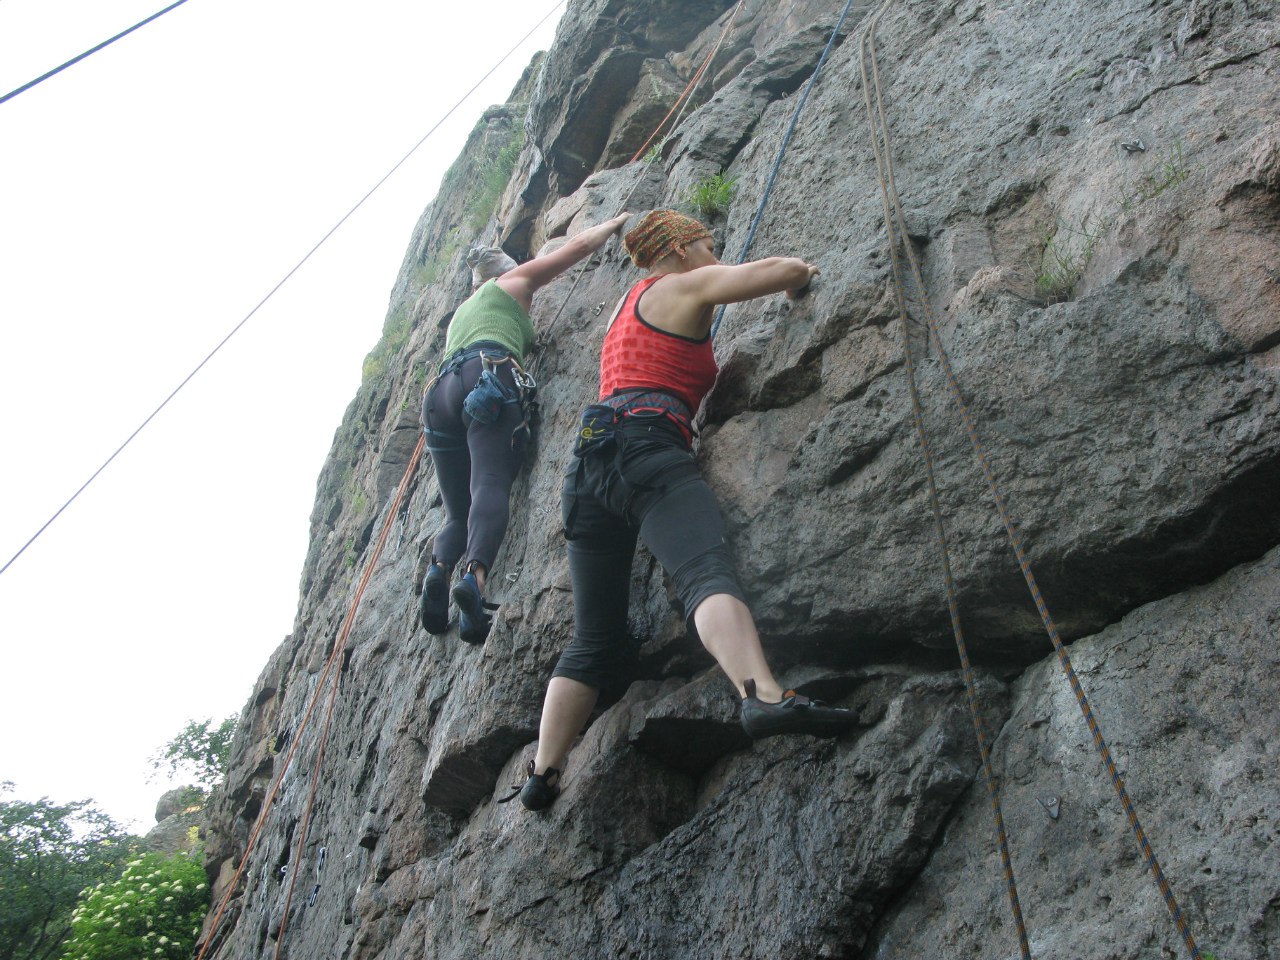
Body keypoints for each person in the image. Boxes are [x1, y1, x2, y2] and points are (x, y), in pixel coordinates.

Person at [511, 209, 861, 811]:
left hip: (589, 466)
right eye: (707, 241)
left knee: (594, 637)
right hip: (647, 446)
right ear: (680, 245)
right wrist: (803, 272)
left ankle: (542, 774)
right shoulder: (680, 285)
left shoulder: (627, 309)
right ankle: (764, 694)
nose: (713, 250)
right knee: (703, 572)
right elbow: (774, 272)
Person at [420, 211, 631, 643]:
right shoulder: (510, 284)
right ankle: (473, 582)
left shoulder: (462, 313)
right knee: (491, 483)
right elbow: (574, 250)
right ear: (507, 272)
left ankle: (437, 570)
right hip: (487, 375)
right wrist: (615, 222)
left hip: (439, 396)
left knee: (457, 511)